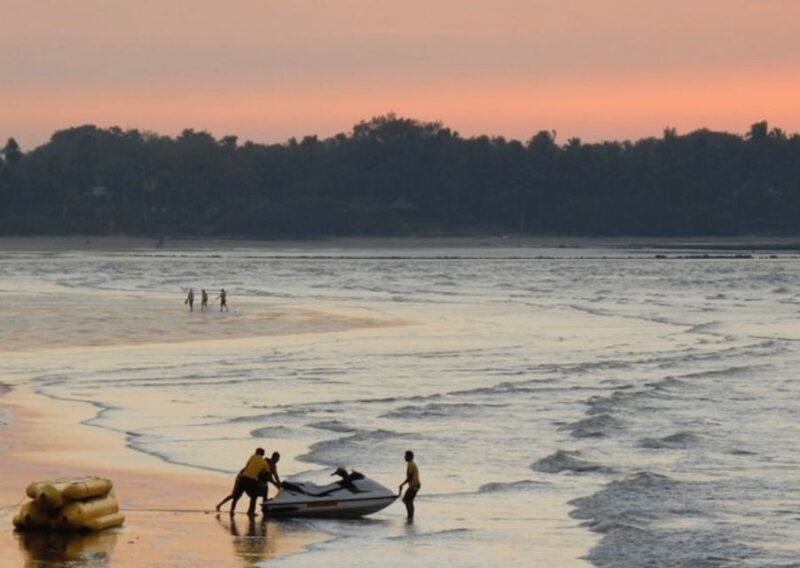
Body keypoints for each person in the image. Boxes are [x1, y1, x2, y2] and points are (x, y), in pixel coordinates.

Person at [230, 447, 269, 516]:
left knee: (237, 495)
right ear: (263, 454)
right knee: (254, 497)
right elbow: (265, 473)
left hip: (244, 477)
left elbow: (246, 467)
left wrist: (239, 476)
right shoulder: (265, 463)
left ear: (257, 452)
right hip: (253, 480)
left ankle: (232, 509)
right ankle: (251, 512)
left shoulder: (252, 456)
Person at [398, 450, 421, 520]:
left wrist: (402, 484)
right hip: (415, 485)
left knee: (406, 500)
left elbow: (409, 477)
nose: (404, 457)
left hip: (415, 485)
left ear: (409, 457)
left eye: (405, 456)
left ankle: (410, 516)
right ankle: (410, 516)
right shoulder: (411, 464)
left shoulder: (411, 464)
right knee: (409, 500)